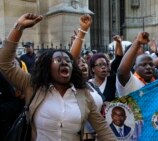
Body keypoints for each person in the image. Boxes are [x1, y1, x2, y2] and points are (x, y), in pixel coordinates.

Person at [0, 13, 116, 141]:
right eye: (58, 60)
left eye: (67, 60)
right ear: (47, 68)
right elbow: (4, 62)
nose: (64, 62)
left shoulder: (84, 94)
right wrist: (19, 27)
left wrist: (82, 32)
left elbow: (103, 129)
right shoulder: (32, 86)